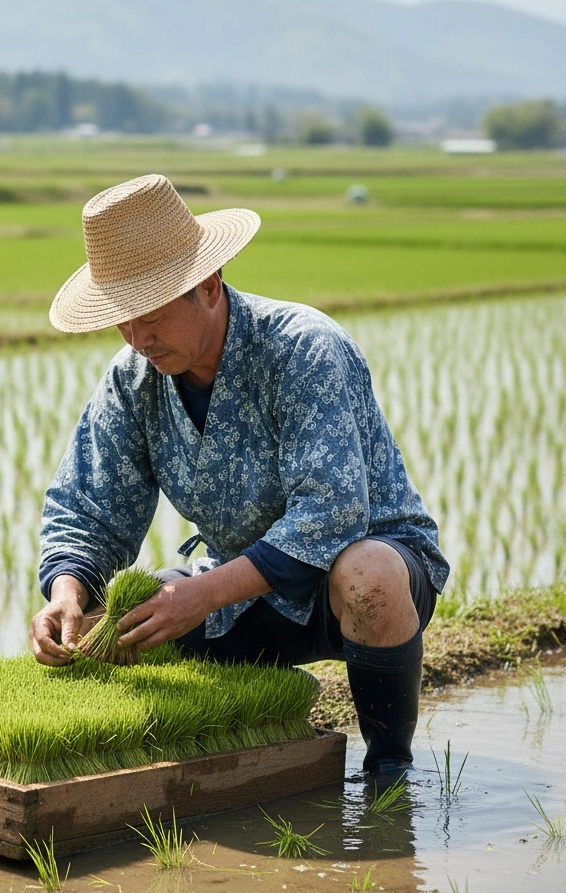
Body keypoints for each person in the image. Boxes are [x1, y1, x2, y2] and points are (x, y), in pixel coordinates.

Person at [29, 174, 448, 776]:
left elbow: (329, 516)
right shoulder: (132, 380)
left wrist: (198, 595)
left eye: (149, 314)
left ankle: (389, 766)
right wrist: (66, 596)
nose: (136, 337)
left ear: (207, 284)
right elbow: (87, 510)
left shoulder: (303, 348)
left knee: (368, 572)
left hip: (355, 586)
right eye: (122, 319)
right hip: (239, 593)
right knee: (115, 622)